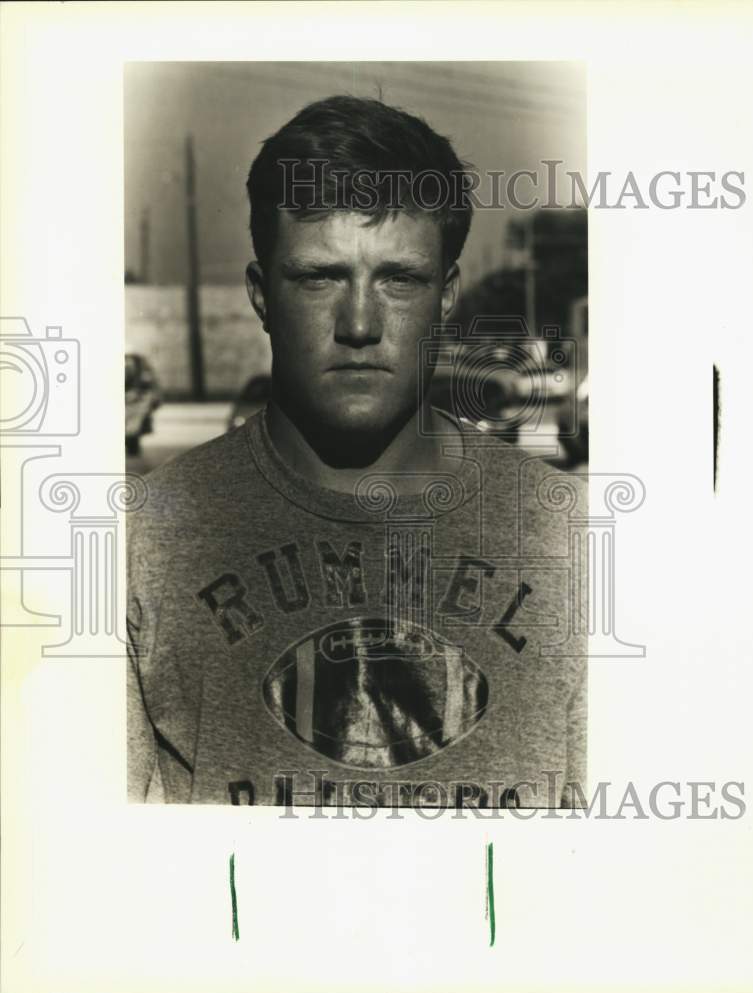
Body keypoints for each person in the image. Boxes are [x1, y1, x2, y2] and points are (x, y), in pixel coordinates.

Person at [127, 95, 586, 809]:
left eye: (399, 279)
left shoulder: (573, 538)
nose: (361, 324)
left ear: (445, 297)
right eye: (320, 277)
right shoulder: (144, 541)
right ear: (260, 296)